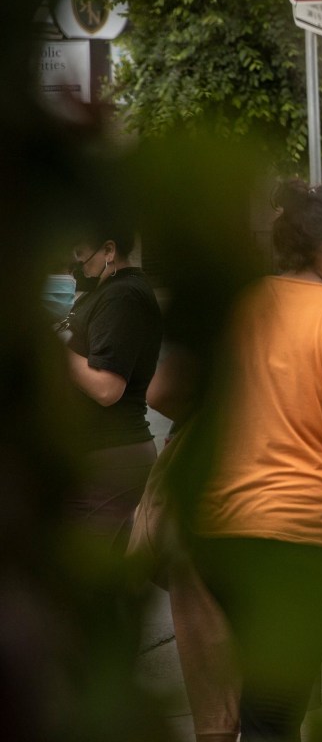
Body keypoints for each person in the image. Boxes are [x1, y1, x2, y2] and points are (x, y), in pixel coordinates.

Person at [192, 181, 322, 742]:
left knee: (261, 699)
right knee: (274, 717)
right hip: (303, 537)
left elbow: (170, 390)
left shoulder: (236, 304)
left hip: (219, 532)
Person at [60, 219, 163, 547]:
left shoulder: (124, 297)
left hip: (111, 458)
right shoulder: (108, 291)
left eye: (82, 254)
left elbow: (107, 387)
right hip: (100, 458)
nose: (79, 263)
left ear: (109, 250)